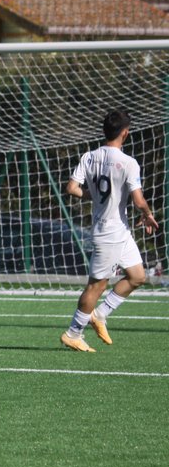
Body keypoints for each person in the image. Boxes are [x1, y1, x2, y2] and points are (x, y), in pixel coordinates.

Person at [62, 108, 158, 352]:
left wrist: (94, 196)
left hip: (119, 231)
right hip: (110, 234)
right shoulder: (128, 162)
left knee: (137, 276)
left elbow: (72, 188)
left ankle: (100, 314)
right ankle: (73, 333)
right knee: (96, 286)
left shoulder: (89, 156)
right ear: (125, 134)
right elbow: (139, 201)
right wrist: (147, 214)